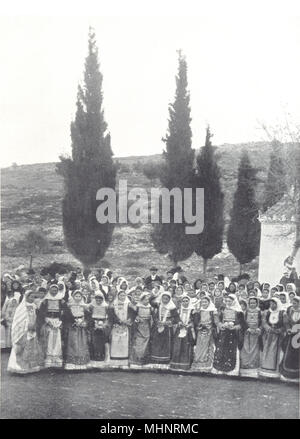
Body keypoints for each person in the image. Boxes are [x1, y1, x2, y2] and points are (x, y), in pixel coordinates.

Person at [7, 290, 44, 374]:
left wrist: (34, 325)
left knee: (31, 347)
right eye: (31, 297)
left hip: (32, 329)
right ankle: (19, 367)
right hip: (23, 330)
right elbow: (18, 320)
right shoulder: (21, 307)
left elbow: (35, 317)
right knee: (22, 348)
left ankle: (31, 367)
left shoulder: (34, 306)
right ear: (26, 297)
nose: (33, 298)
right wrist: (26, 326)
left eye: (34, 297)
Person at [211, 294, 245, 376]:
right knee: (221, 349)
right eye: (226, 301)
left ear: (233, 301)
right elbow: (217, 319)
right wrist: (220, 325)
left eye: (229, 301)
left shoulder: (238, 311)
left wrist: (235, 327)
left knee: (231, 350)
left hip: (233, 334)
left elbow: (242, 324)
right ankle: (219, 368)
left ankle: (231, 370)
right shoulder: (223, 310)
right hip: (223, 333)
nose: (228, 302)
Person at [37, 284, 67, 368]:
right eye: (52, 290)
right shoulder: (45, 301)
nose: (54, 292)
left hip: (58, 321)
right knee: (48, 340)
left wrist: (60, 321)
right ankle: (48, 359)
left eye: (55, 290)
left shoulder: (61, 300)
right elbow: (41, 313)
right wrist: (47, 321)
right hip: (48, 321)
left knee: (57, 340)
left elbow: (65, 311)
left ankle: (57, 359)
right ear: (49, 291)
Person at [150, 291, 179, 368]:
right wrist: (157, 321)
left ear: (169, 299)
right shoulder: (159, 305)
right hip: (158, 325)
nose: (165, 300)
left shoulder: (172, 307)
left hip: (167, 327)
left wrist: (168, 322)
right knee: (157, 342)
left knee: (166, 343)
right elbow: (151, 305)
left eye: (166, 299)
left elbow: (176, 318)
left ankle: (165, 360)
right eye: (163, 298)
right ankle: (156, 359)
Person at [64, 290, 91, 370]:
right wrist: (73, 322)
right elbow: (67, 316)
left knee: (82, 343)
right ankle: (72, 363)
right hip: (73, 326)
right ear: (73, 297)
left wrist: (84, 322)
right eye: (76, 296)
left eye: (79, 296)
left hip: (81, 327)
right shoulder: (70, 306)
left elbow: (88, 317)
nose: (78, 298)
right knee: (73, 343)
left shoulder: (84, 306)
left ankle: (82, 363)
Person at [258, 298, 285, 379]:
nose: (272, 306)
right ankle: (266, 372)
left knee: (276, 353)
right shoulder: (268, 312)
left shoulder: (282, 313)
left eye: (274, 304)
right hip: (268, 335)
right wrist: (268, 328)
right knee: (267, 352)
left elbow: (285, 324)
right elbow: (264, 322)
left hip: (278, 336)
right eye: (271, 304)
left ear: (277, 304)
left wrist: (279, 330)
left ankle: (275, 373)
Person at [108, 289, 135, 367]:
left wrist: (129, 320)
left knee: (124, 343)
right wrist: (119, 321)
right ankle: (115, 362)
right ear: (118, 296)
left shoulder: (129, 304)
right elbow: (111, 315)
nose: (122, 297)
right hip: (116, 326)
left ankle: (124, 362)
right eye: (121, 295)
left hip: (125, 326)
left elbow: (133, 314)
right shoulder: (114, 304)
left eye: (124, 295)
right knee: (116, 342)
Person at [191, 295, 218, 372]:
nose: (204, 303)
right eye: (202, 302)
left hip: (209, 331)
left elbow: (216, 322)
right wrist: (199, 325)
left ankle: (207, 366)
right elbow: (196, 321)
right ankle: (198, 366)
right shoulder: (199, 311)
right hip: (200, 331)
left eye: (205, 302)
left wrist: (209, 326)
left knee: (208, 347)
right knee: (200, 347)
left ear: (209, 302)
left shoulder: (213, 311)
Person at [170, 295, 195, 370]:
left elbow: (195, 321)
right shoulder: (178, 310)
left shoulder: (192, 311)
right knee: (177, 346)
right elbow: (175, 319)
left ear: (189, 302)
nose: (185, 302)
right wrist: (179, 323)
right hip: (179, 329)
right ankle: (175, 365)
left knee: (186, 347)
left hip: (188, 330)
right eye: (183, 301)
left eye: (186, 301)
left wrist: (190, 324)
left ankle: (185, 365)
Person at [240, 297, 262, 378]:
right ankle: (245, 370)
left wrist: (258, 329)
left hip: (255, 333)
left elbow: (261, 322)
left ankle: (254, 371)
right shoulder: (246, 311)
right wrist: (247, 328)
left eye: (254, 303)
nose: (252, 304)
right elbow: (243, 321)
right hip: (247, 332)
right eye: (251, 303)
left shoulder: (259, 311)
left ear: (257, 303)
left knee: (254, 350)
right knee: (246, 349)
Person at [279, 296, 300, 382]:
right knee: (288, 353)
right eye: (293, 303)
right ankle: (287, 375)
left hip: (298, 336)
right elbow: (286, 321)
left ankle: (297, 376)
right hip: (290, 335)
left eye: (296, 303)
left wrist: (296, 330)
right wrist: (288, 329)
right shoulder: (289, 310)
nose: (294, 305)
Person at [130, 292, 153, 367]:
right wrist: (137, 319)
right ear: (142, 300)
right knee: (139, 342)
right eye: (145, 300)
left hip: (147, 326)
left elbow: (152, 317)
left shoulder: (150, 307)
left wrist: (150, 319)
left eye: (148, 300)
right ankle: (136, 360)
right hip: (139, 326)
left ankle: (144, 360)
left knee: (146, 341)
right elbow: (133, 316)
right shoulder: (138, 307)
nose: (147, 301)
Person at [88, 292, 110, 367]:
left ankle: (101, 360)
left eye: (100, 300)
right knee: (93, 341)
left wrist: (104, 324)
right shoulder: (91, 306)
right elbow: (89, 315)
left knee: (101, 342)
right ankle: (93, 360)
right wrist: (94, 324)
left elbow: (107, 317)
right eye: (97, 299)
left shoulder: (106, 306)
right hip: (93, 324)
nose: (98, 301)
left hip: (102, 325)